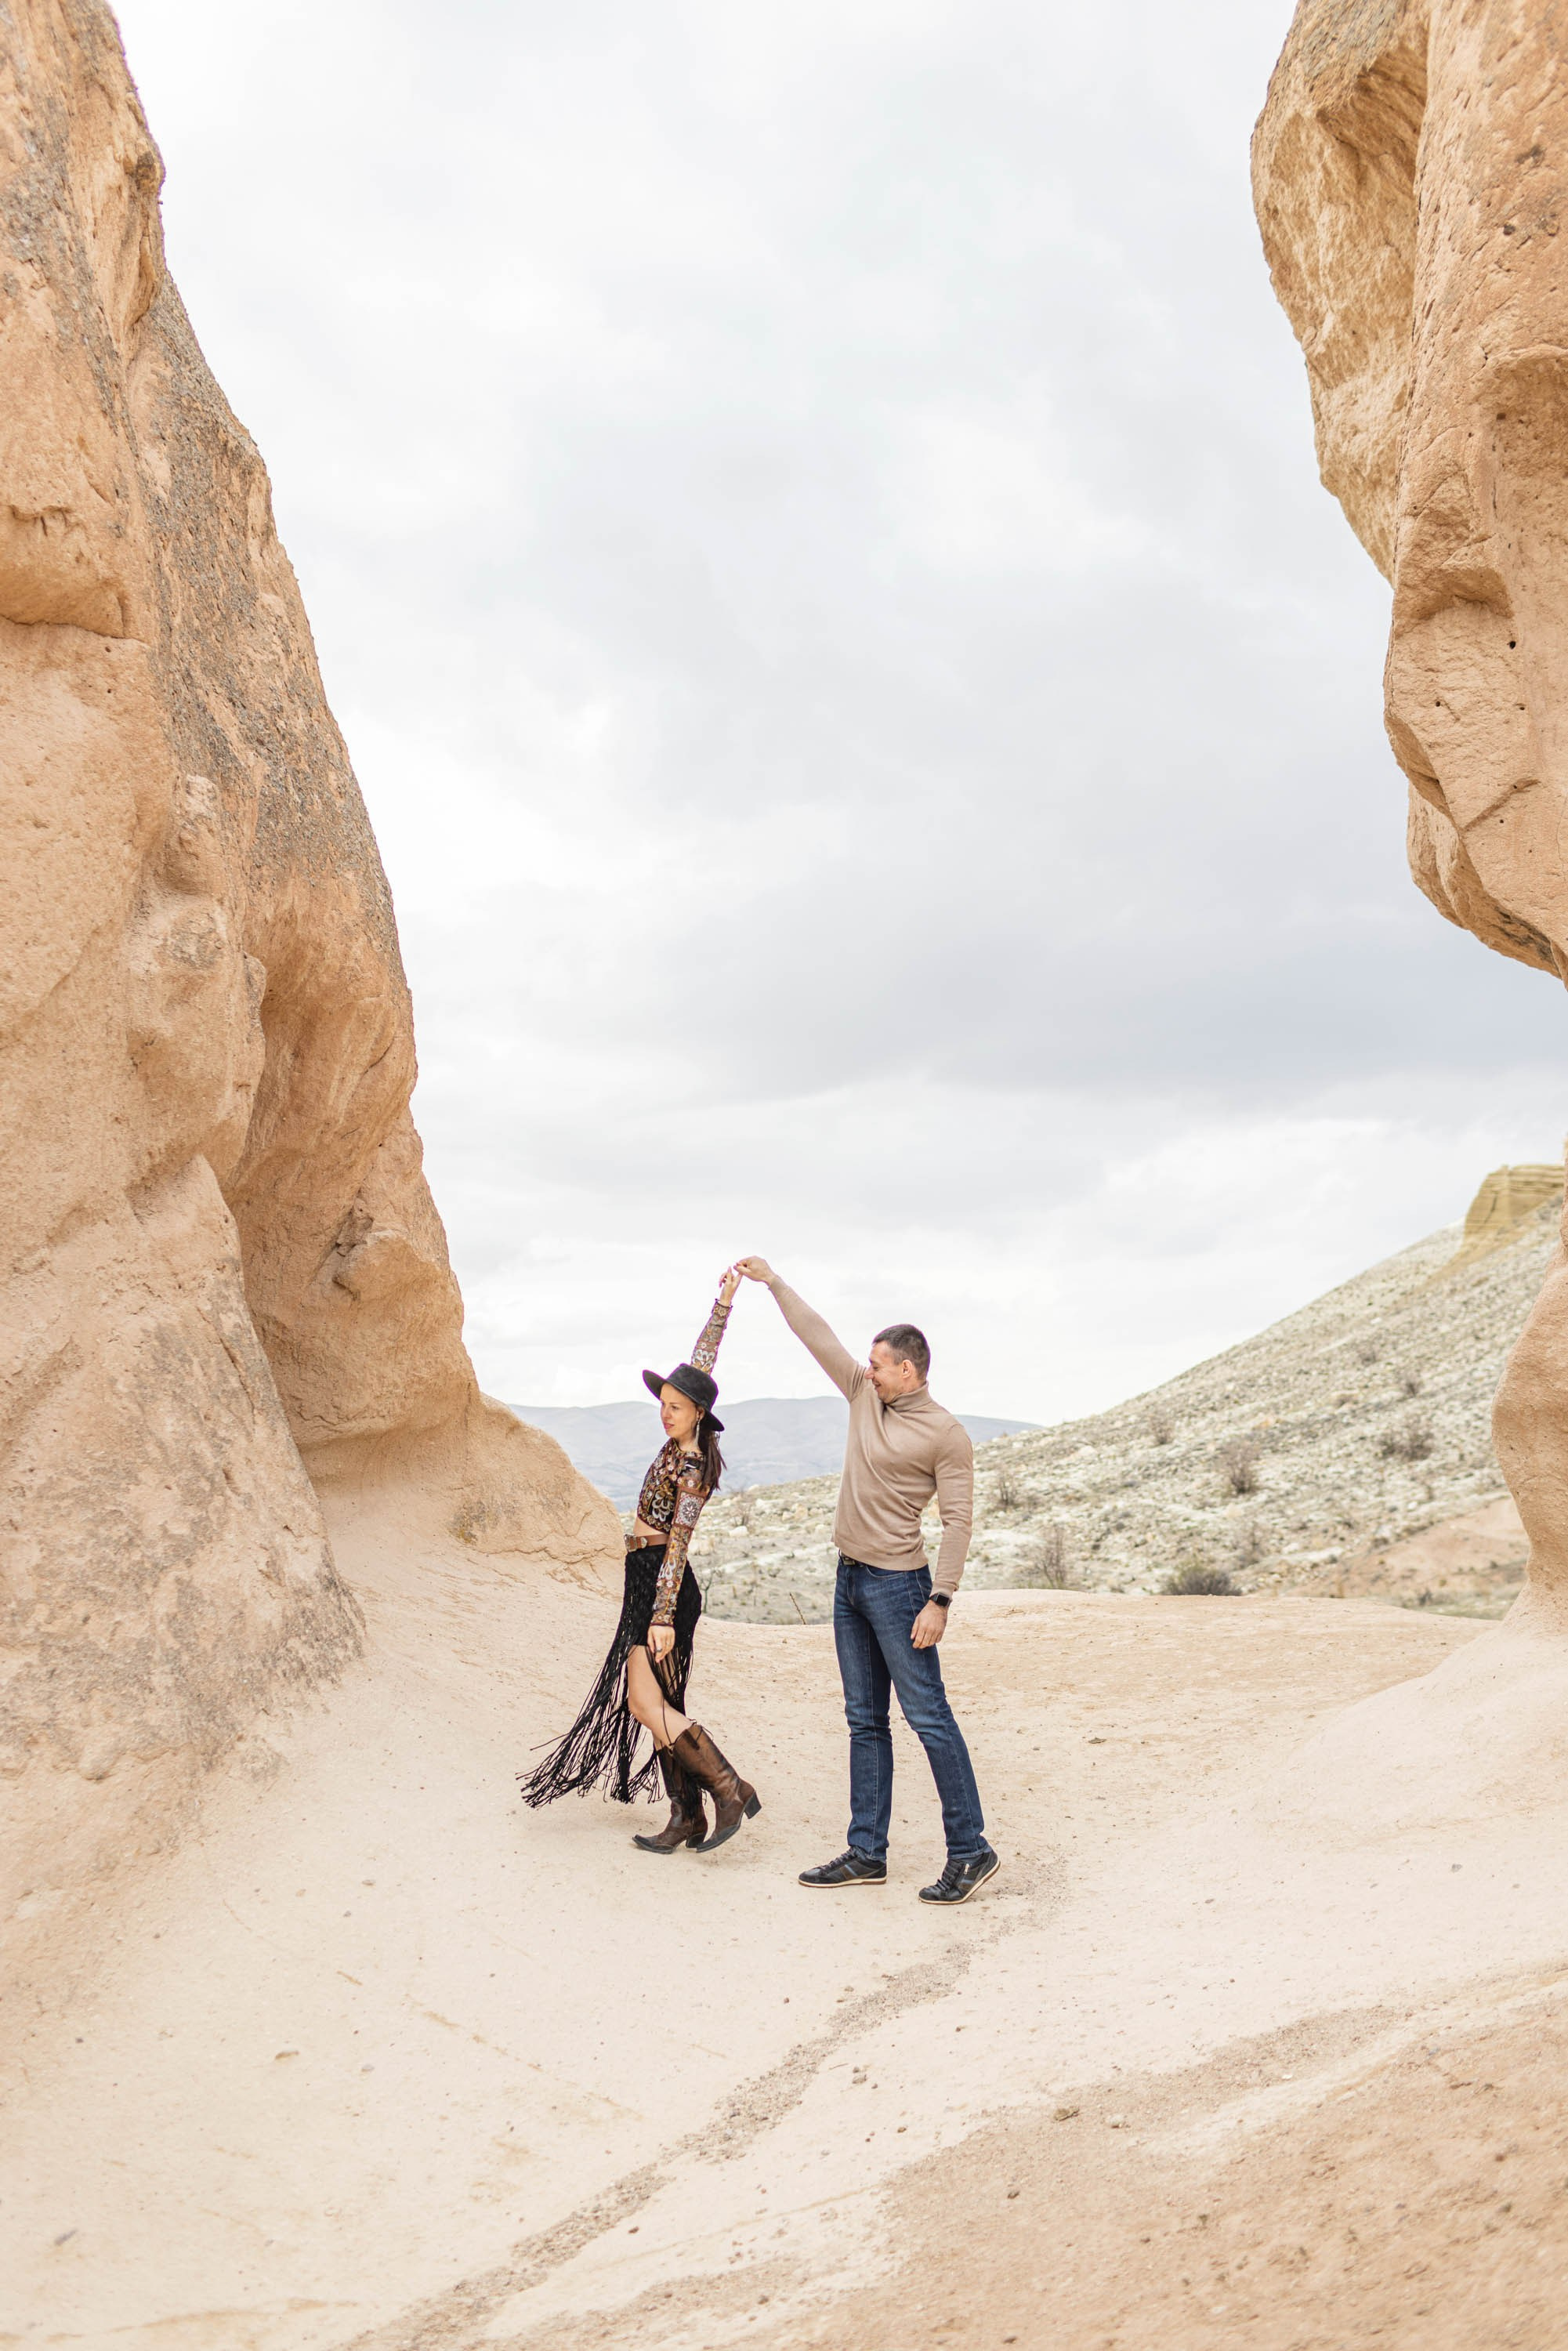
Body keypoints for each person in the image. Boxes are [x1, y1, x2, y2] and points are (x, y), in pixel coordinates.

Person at [735, 1257, 997, 1904]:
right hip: (849, 1580)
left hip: (900, 1589)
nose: (867, 1370)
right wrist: (773, 1283)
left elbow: (958, 1523)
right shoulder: (862, 1394)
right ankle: (866, 1853)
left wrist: (940, 1599)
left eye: (878, 1364)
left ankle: (971, 1850)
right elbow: (815, 1335)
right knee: (864, 1721)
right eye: (869, 1364)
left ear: (908, 1369)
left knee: (928, 1718)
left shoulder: (945, 1434)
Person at [517, 1270, 760, 1854]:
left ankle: (729, 1789)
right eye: (664, 1405)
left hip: (662, 1585)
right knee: (654, 1706)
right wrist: (723, 1304)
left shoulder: (693, 1466)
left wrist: (662, 1615)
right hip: (643, 1579)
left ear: (698, 1413)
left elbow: (677, 1545)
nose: (666, 1414)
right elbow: (701, 1362)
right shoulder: (678, 1441)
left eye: (677, 1408)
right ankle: (687, 1816)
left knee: (646, 1704)